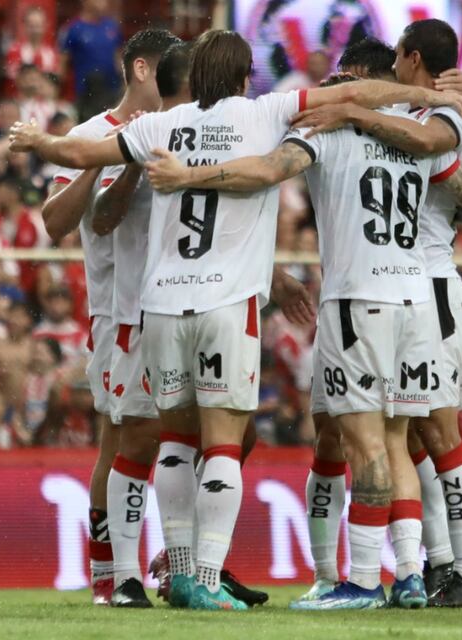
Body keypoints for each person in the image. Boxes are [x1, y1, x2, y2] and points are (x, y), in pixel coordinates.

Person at [10, 29, 462, 611]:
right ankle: (203, 577)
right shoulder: (264, 113)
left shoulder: (161, 126)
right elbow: (352, 97)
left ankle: (178, 572)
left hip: (163, 304)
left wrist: (37, 140)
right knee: (224, 443)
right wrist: (431, 98)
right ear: (246, 75)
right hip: (228, 303)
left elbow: (78, 155)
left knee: (174, 442)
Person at [141, 62, 462, 616]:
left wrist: (187, 176)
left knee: (363, 442)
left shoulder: (327, 131)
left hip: (357, 301)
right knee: (395, 438)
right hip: (416, 300)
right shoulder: (416, 135)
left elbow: (267, 170)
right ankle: (409, 575)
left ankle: (361, 581)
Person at [289, 22, 462, 608]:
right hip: (400, 285)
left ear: (409, 60)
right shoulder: (414, 113)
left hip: (424, 283)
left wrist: (354, 110)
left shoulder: (434, 116)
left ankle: (458, 571)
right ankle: (422, 568)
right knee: (396, 435)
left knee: (433, 432)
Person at [92, 41, 272, 609]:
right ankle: (121, 576)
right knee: (139, 439)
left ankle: (186, 565)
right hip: (136, 310)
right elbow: (96, 218)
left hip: (191, 301)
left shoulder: (202, 130)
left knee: (223, 436)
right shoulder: (130, 134)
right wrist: (127, 164)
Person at [30, 28, 180, 605]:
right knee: (119, 442)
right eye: (170, 69)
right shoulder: (88, 135)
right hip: (120, 314)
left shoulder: (182, 129)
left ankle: (177, 559)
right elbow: (56, 222)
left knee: (199, 436)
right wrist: (101, 161)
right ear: (142, 69)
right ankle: (110, 572)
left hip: (178, 309)